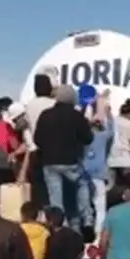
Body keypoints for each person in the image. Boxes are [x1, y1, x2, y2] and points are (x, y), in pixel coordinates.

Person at [33, 84, 95, 239]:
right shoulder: (75, 116)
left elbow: (37, 139)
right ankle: (87, 218)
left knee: (57, 200)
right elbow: (88, 138)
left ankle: (58, 228)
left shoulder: (45, 115)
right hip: (71, 162)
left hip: (50, 163)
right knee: (82, 184)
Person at [22, 74, 56, 208]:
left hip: (36, 150)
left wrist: (31, 147)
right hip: (55, 149)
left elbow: (26, 130)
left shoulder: (29, 106)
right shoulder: (54, 104)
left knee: (40, 189)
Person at [82, 92, 114, 232]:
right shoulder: (103, 136)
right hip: (99, 176)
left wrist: (86, 108)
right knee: (100, 207)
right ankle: (98, 233)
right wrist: (108, 114)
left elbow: (81, 124)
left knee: (84, 205)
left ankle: (85, 230)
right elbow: (112, 130)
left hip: (84, 176)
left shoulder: (83, 139)